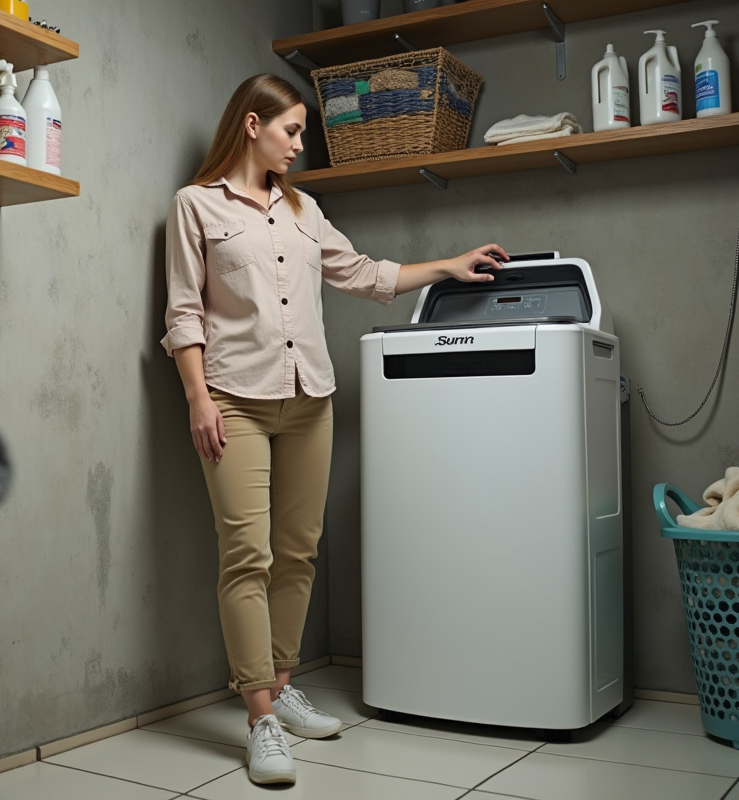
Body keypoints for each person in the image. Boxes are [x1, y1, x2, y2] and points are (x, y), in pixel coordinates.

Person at [160, 74, 507, 786]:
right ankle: (260, 719)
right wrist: (197, 398)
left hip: (310, 398)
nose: (299, 145)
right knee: (246, 555)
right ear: (252, 124)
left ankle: (282, 686)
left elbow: (362, 274)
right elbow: (184, 313)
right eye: (291, 130)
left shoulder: (304, 208)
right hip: (234, 399)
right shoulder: (195, 205)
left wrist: (448, 265)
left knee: (298, 552)